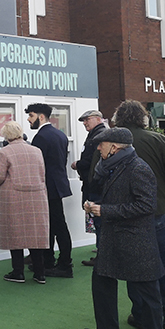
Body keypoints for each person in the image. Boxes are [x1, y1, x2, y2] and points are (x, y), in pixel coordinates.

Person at [111, 100, 165, 329]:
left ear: (118, 118)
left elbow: (94, 178)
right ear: (143, 118)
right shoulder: (158, 140)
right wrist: (164, 195)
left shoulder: (110, 141)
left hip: (125, 216)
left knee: (133, 269)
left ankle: (140, 315)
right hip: (158, 213)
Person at [82, 127, 164, 329]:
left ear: (114, 147)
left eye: (101, 144)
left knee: (147, 297)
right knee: (101, 282)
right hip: (113, 238)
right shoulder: (112, 167)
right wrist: (94, 204)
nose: (98, 148)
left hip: (135, 242)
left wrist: (104, 210)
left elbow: (146, 206)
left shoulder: (138, 168)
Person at [0, 121, 49, 284]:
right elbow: (42, 174)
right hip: (36, 196)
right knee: (35, 235)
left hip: (13, 196)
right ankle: (40, 273)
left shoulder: (4, 152)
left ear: (6, 136)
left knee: (14, 233)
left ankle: (18, 272)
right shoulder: (37, 151)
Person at [25, 103, 74, 277]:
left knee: (54, 226)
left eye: (31, 116)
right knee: (56, 225)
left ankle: (62, 264)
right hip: (58, 185)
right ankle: (54, 262)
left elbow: (37, 166)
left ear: (41, 117)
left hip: (47, 187)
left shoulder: (41, 138)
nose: (29, 120)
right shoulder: (60, 135)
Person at [73, 110, 107, 267]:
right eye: (83, 121)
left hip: (96, 185)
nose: (85, 123)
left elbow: (90, 160)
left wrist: (77, 165)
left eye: (87, 119)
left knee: (99, 220)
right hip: (95, 183)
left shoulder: (98, 136)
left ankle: (103, 254)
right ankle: (102, 250)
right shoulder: (95, 135)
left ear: (98, 119)